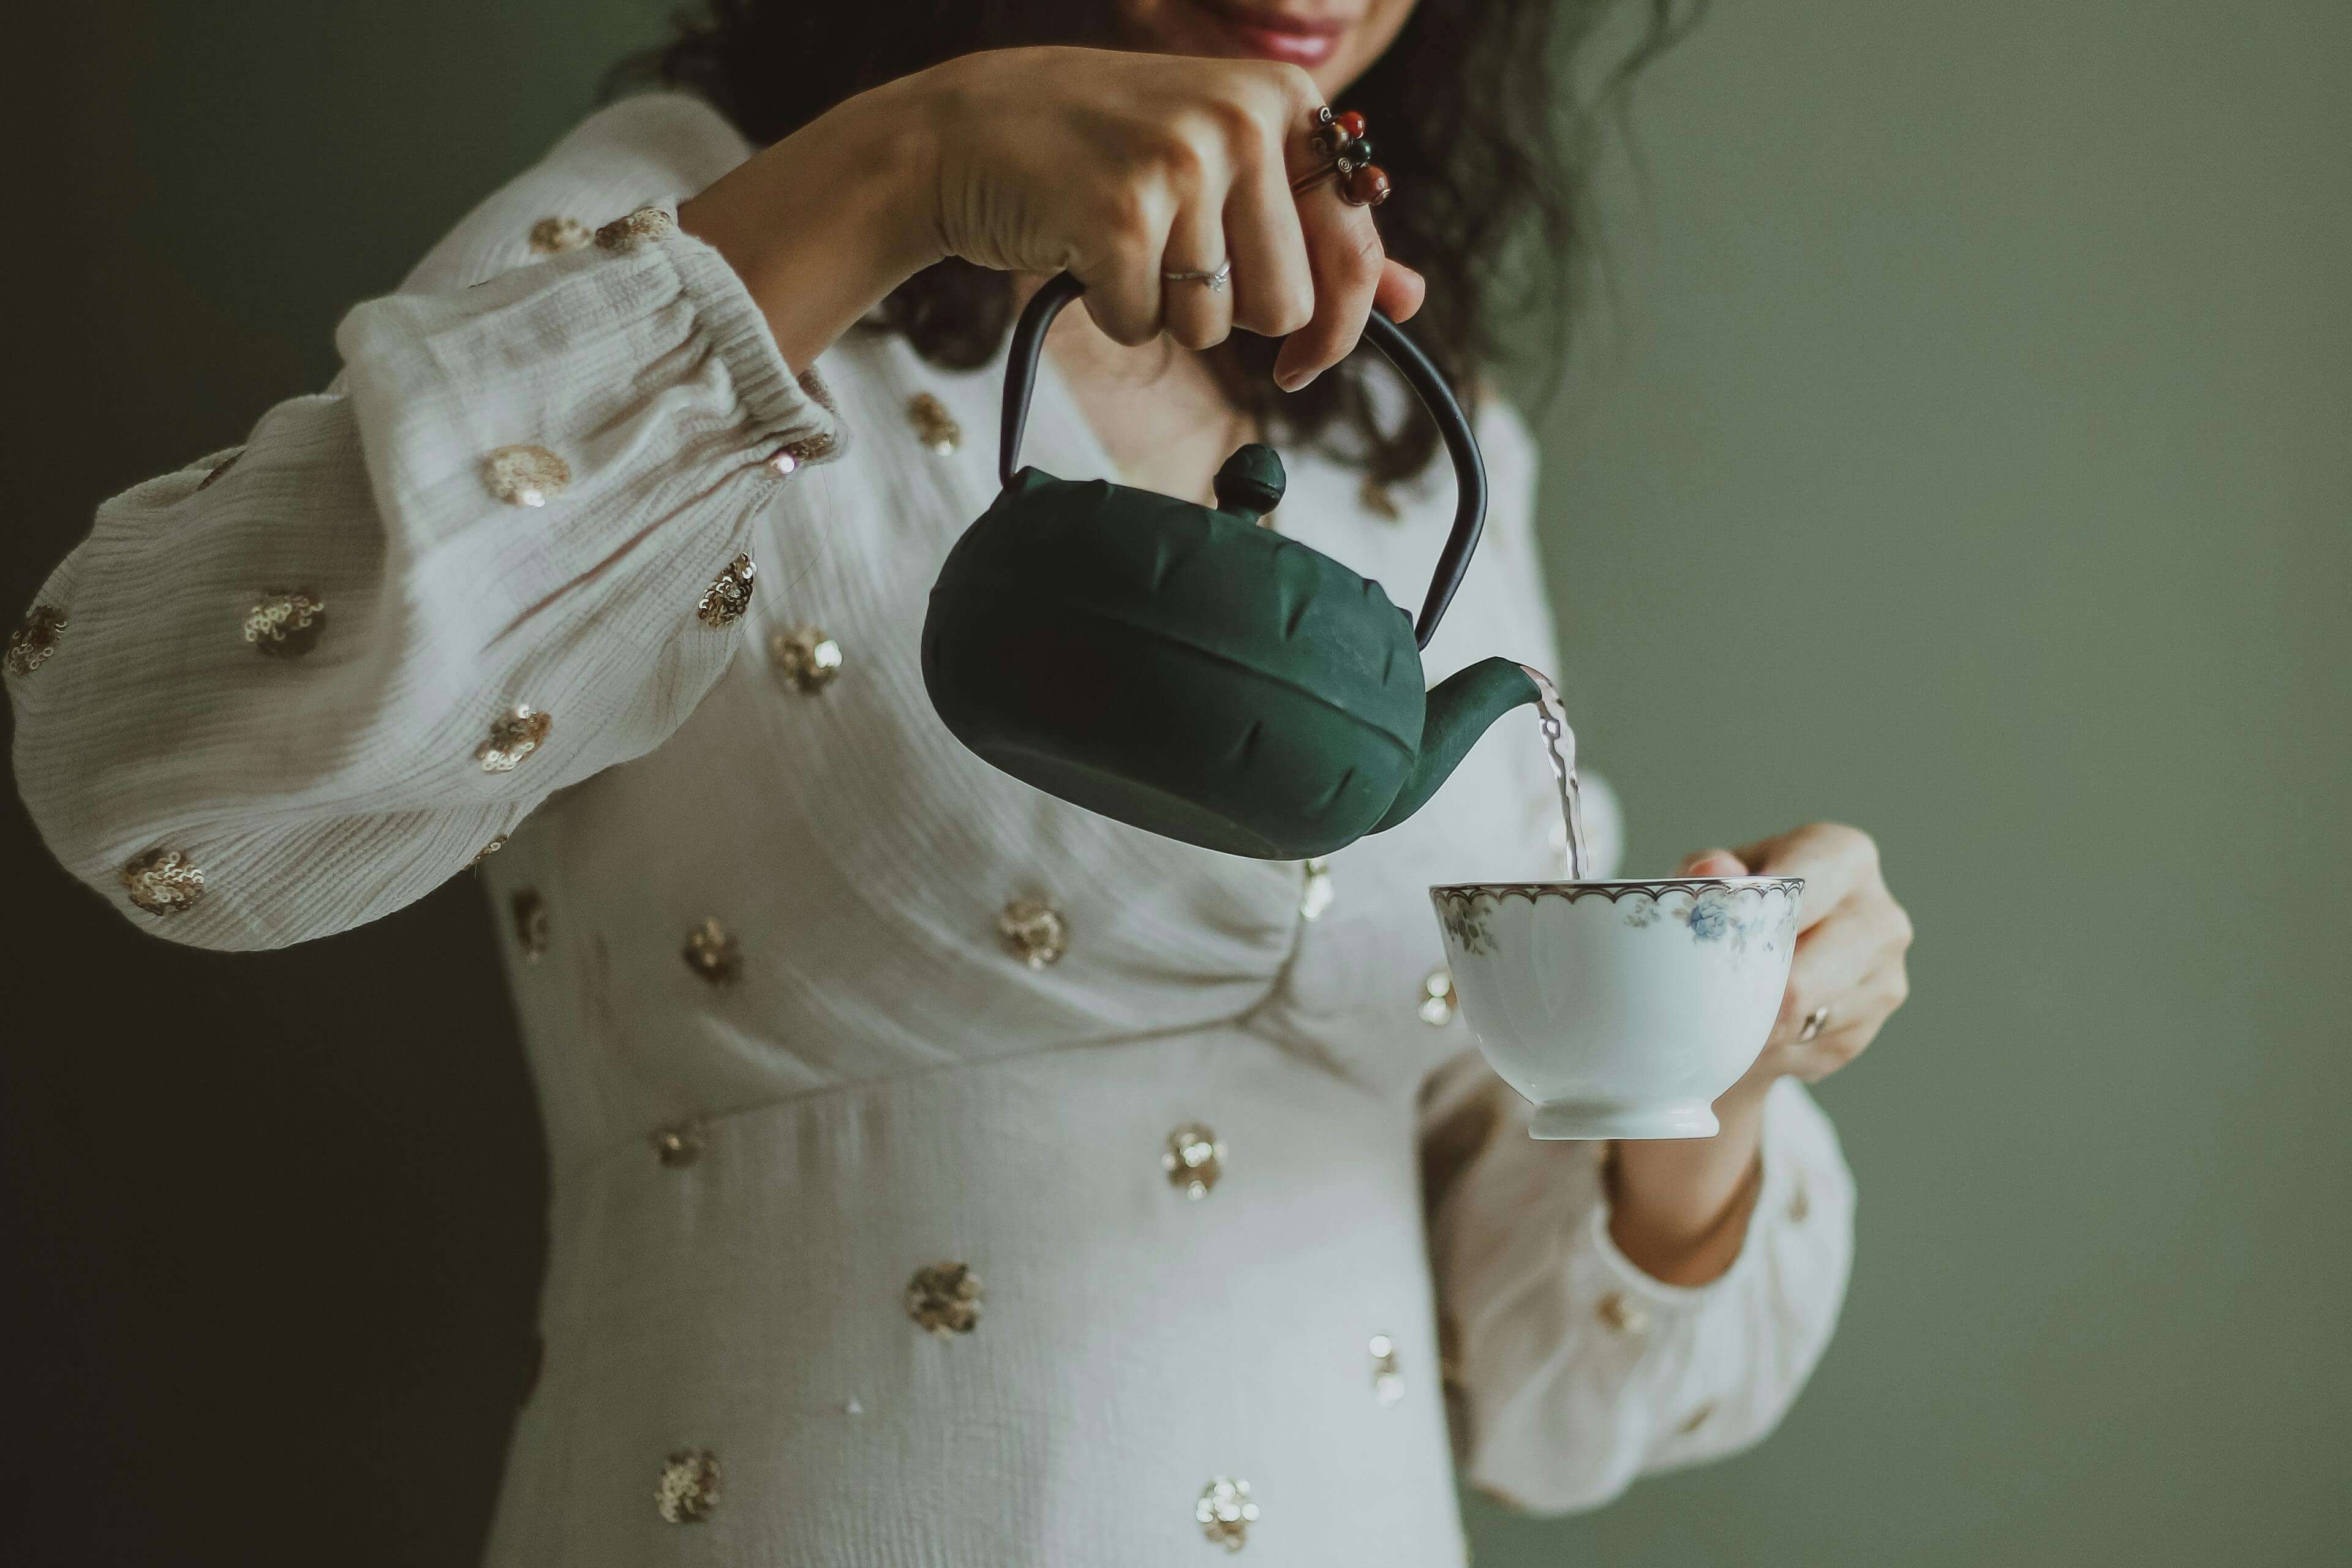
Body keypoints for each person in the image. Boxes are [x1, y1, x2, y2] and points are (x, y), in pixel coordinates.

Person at [5, 1, 1913, 1561]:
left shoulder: (1423, 431)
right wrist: (902, 171)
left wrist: (1713, 1057)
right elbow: (151, 777)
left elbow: (1541, 1387)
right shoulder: (694, 230)